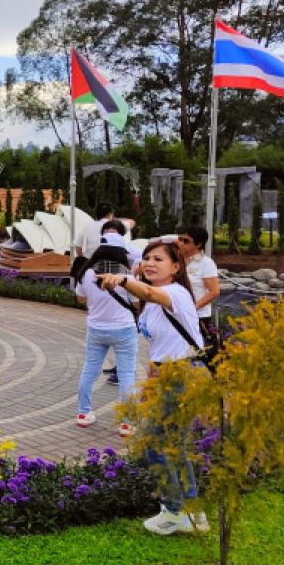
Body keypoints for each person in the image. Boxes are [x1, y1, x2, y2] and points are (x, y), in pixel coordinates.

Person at [99, 238, 208, 536]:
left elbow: (146, 290)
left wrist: (122, 279)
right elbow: (158, 347)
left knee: (154, 444)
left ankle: (174, 511)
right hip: (168, 375)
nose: (149, 262)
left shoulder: (176, 293)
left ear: (175, 267)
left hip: (184, 375)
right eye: (147, 258)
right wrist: (150, 384)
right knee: (173, 447)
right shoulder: (150, 306)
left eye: (158, 259)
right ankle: (192, 513)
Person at [72, 235, 138, 435]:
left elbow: (81, 299)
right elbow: (136, 303)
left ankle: (83, 413)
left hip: (96, 328)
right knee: (127, 374)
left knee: (90, 370)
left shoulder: (86, 273)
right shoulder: (128, 277)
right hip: (124, 329)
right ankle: (127, 423)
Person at [177, 227, 220, 350]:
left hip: (198, 316)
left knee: (197, 352)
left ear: (198, 244)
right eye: (179, 239)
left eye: (186, 241)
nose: (181, 243)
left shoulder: (206, 263)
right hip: (177, 314)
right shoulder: (176, 262)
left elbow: (214, 291)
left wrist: (193, 307)